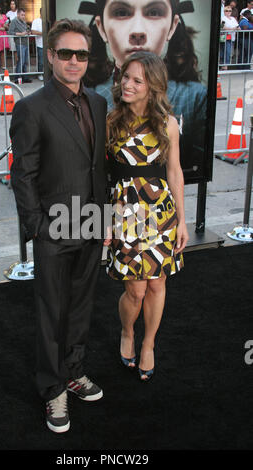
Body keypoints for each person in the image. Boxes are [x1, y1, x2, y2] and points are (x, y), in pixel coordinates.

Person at [10, 18, 108, 433]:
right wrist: (37, 227)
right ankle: (52, 390)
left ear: (88, 59)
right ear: (50, 56)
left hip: (91, 223)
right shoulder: (31, 107)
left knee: (82, 307)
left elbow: (95, 166)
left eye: (81, 54)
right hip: (53, 228)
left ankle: (73, 370)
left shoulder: (98, 103)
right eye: (65, 53)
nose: (73, 61)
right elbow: (23, 174)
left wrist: (104, 217)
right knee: (52, 312)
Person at [106, 51, 188, 381]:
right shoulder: (111, 122)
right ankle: (128, 331)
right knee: (135, 292)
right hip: (124, 215)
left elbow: (175, 172)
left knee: (157, 285)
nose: (127, 84)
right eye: (126, 76)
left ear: (152, 86)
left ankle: (149, 344)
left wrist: (182, 220)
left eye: (137, 80)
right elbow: (99, 176)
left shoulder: (168, 124)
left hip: (161, 215)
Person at [79, 0, 207, 182]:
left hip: (158, 204)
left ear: (173, 26)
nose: (137, 31)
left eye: (154, 12)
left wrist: (179, 211)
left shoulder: (193, 97)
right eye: (122, 12)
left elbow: (176, 170)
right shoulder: (91, 100)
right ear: (101, 27)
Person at [8, 7, 32, 83]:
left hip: (25, 42)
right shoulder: (14, 21)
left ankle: (25, 77)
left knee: (25, 61)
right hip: (19, 43)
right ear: (18, 14)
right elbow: (10, 32)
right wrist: (21, 34)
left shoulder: (23, 22)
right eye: (22, 15)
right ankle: (17, 78)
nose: (23, 16)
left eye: (24, 15)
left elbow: (26, 30)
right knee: (21, 60)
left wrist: (28, 32)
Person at [220, 4, 239, 69]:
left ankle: (224, 65)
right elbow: (222, 27)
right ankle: (225, 65)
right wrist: (232, 29)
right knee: (226, 51)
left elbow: (237, 26)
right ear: (224, 12)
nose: (228, 12)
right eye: (227, 11)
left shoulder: (233, 18)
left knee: (228, 51)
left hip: (232, 37)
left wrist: (237, 28)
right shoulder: (223, 18)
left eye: (230, 11)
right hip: (225, 37)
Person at [31, 8, 43, 80]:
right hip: (40, 44)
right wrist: (43, 33)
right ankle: (40, 73)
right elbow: (33, 31)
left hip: (49, 44)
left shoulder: (48, 21)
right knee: (41, 61)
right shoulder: (36, 21)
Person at [6, 0, 18, 67]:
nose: (12, 5)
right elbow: (6, 23)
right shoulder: (8, 13)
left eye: (13, 4)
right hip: (12, 33)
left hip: (18, 33)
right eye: (11, 4)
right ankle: (15, 64)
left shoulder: (18, 12)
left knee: (19, 49)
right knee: (13, 50)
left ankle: (19, 63)